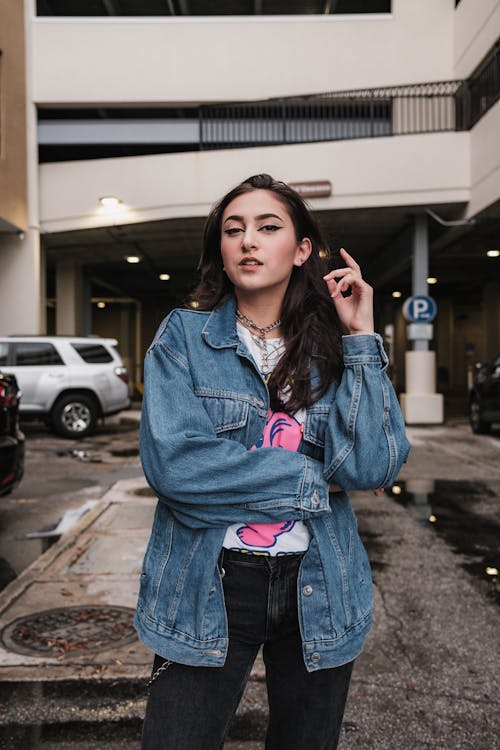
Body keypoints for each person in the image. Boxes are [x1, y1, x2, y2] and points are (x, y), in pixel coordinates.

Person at [135, 173, 410, 750]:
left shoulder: (335, 347)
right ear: (220, 249)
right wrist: (315, 480)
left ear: (302, 248)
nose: (248, 241)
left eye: (267, 227)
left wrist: (361, 335)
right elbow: (176, 465)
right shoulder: (182, 338)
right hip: (210, 580)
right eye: (233, 230)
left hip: (320, 584)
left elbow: (373, 465)